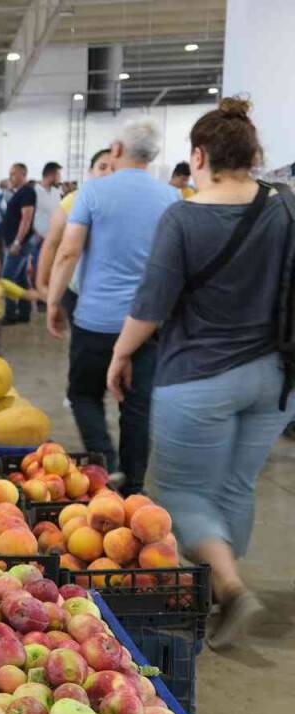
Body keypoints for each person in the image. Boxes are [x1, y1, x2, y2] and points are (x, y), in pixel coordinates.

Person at [106, 98, 290, 648]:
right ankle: (217, 582)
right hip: (276, 378)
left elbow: (151, 305)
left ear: (200, 154)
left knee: (182, 491)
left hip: (200, 379)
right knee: (235, 482)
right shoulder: (285, 209)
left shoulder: (185, 217)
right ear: (253, 155)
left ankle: (230, 588)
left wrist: (119, 355)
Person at [46, 117, 181, 493]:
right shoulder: (171, 198)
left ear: (117, 150)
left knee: (84, 393)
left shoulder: (93, 193)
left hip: (95, 320)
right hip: (145, 323)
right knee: (137, 406)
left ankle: (105, 465)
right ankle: (133, 486)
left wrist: (54, 301)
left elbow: (68, 251)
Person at [36, 148, 114, 318]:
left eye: (114, 169)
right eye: (102, 167)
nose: (108, 173)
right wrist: (42, 283)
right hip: (79, 292)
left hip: (117, 296)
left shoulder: (127, 204)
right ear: (90, 172)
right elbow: (53, 243)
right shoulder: (73, 201)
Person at [0, 164, 37, 323]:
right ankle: (24, 312)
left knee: (6, 279)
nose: (10, 177)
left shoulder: (27, 191)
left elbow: (26, 219)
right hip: (16, 242)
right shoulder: (19, 192)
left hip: (19, 244)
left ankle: (10, 314)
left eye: (13, 174)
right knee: (21, 280)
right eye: (9, 174)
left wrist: (16, 242)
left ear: (23, 174)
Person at [31, 161, 62, 277]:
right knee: (38, 268)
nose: (60, 178)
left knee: (51, 269)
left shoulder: (56, 192)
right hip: (38, 238)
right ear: (50, 175)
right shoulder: (34, 191)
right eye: (58, 175)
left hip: (54, 237)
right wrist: (35, 232)